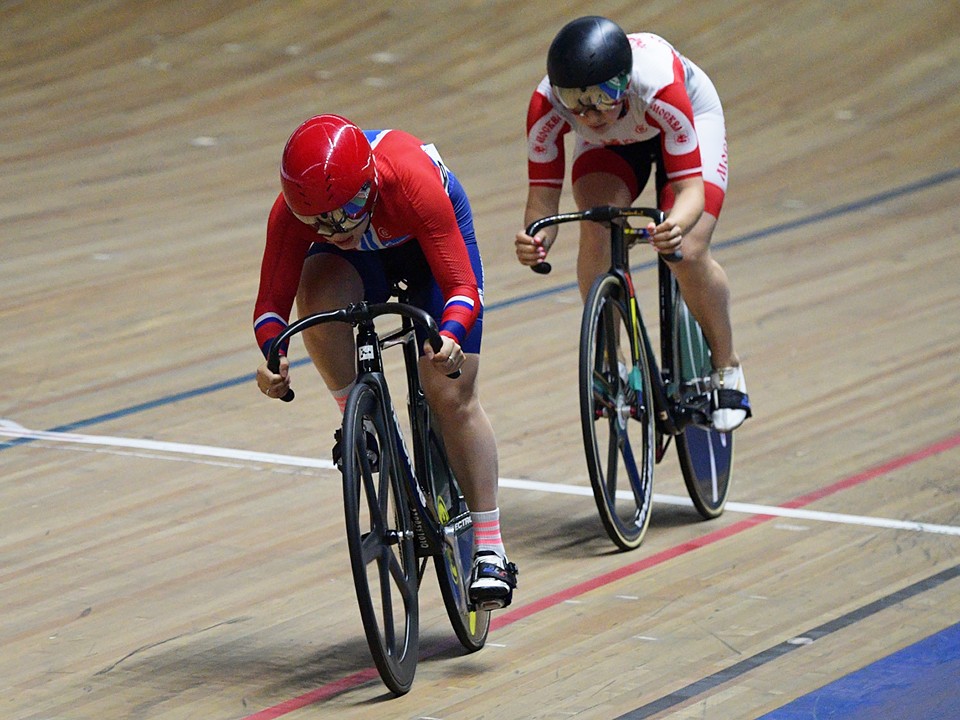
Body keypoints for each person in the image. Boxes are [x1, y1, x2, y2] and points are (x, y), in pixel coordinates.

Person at [253, 114, 517, 608]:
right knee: (317, 298)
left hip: (427, 250)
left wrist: (452, 334)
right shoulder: (295, 213)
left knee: (449, 391)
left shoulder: (409, 181)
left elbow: (460, 287)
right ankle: (360, 418)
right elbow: (272, 304)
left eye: (349, 209)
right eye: (321, 221)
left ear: (369, 181)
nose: (339, 226)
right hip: (362, 264)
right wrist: (274, 356)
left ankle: (489, 549)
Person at [515, 16, 751, 431]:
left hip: (688, 121)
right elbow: (542, 202)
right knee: (596, 223)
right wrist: (536, 238)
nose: (588, 112)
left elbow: (690, 191)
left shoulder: (659, 85)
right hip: (614, 144)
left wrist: (674, 224)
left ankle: (726, 364)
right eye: (575, 99)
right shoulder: (547, 106)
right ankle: (614, 364)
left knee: (688, 250)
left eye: (603, 95)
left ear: (623, 81)